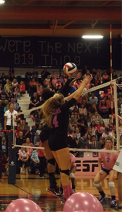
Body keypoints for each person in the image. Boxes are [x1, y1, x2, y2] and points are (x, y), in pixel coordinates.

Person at [41, 75, 91, 203]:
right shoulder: (62, 109)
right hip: (59, 140)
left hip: (52, 140)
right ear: (62, 101)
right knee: (64, 170)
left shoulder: (52, 110)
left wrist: (70, 82)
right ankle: (66, 197)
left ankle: (70, 193)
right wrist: (83, 83)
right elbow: (75, 96)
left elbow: (67, 96)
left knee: (63, 168)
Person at [93, 138, 118, 208]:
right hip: (104, 168)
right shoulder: (102, 151)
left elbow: (117, 164)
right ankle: (102, 194)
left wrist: (115, 173)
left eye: (109, 142)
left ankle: (113, 200)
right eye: (106, 142)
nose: (108, 144)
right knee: (95, 182)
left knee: (111, 183)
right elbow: (99, 161)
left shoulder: (115, 152)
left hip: (112, 169)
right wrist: (100, 169)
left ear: (112, 144)